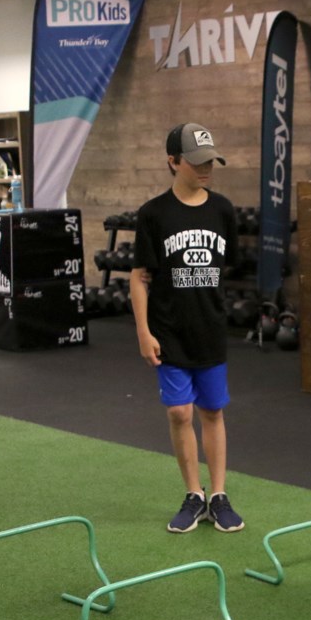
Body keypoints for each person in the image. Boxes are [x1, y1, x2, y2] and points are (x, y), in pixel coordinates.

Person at [130, 123, 244, 534]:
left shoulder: (223, 210)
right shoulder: (154, 215)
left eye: (210, 161)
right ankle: (193, 494)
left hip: (209, 328)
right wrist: (144, 331)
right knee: (180, 412)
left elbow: (221, 268)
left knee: (212, 411)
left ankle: (218, 495)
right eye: (196, 162)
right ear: (173, 161)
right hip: (168, 330)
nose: (206, 169)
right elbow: (139, 276)